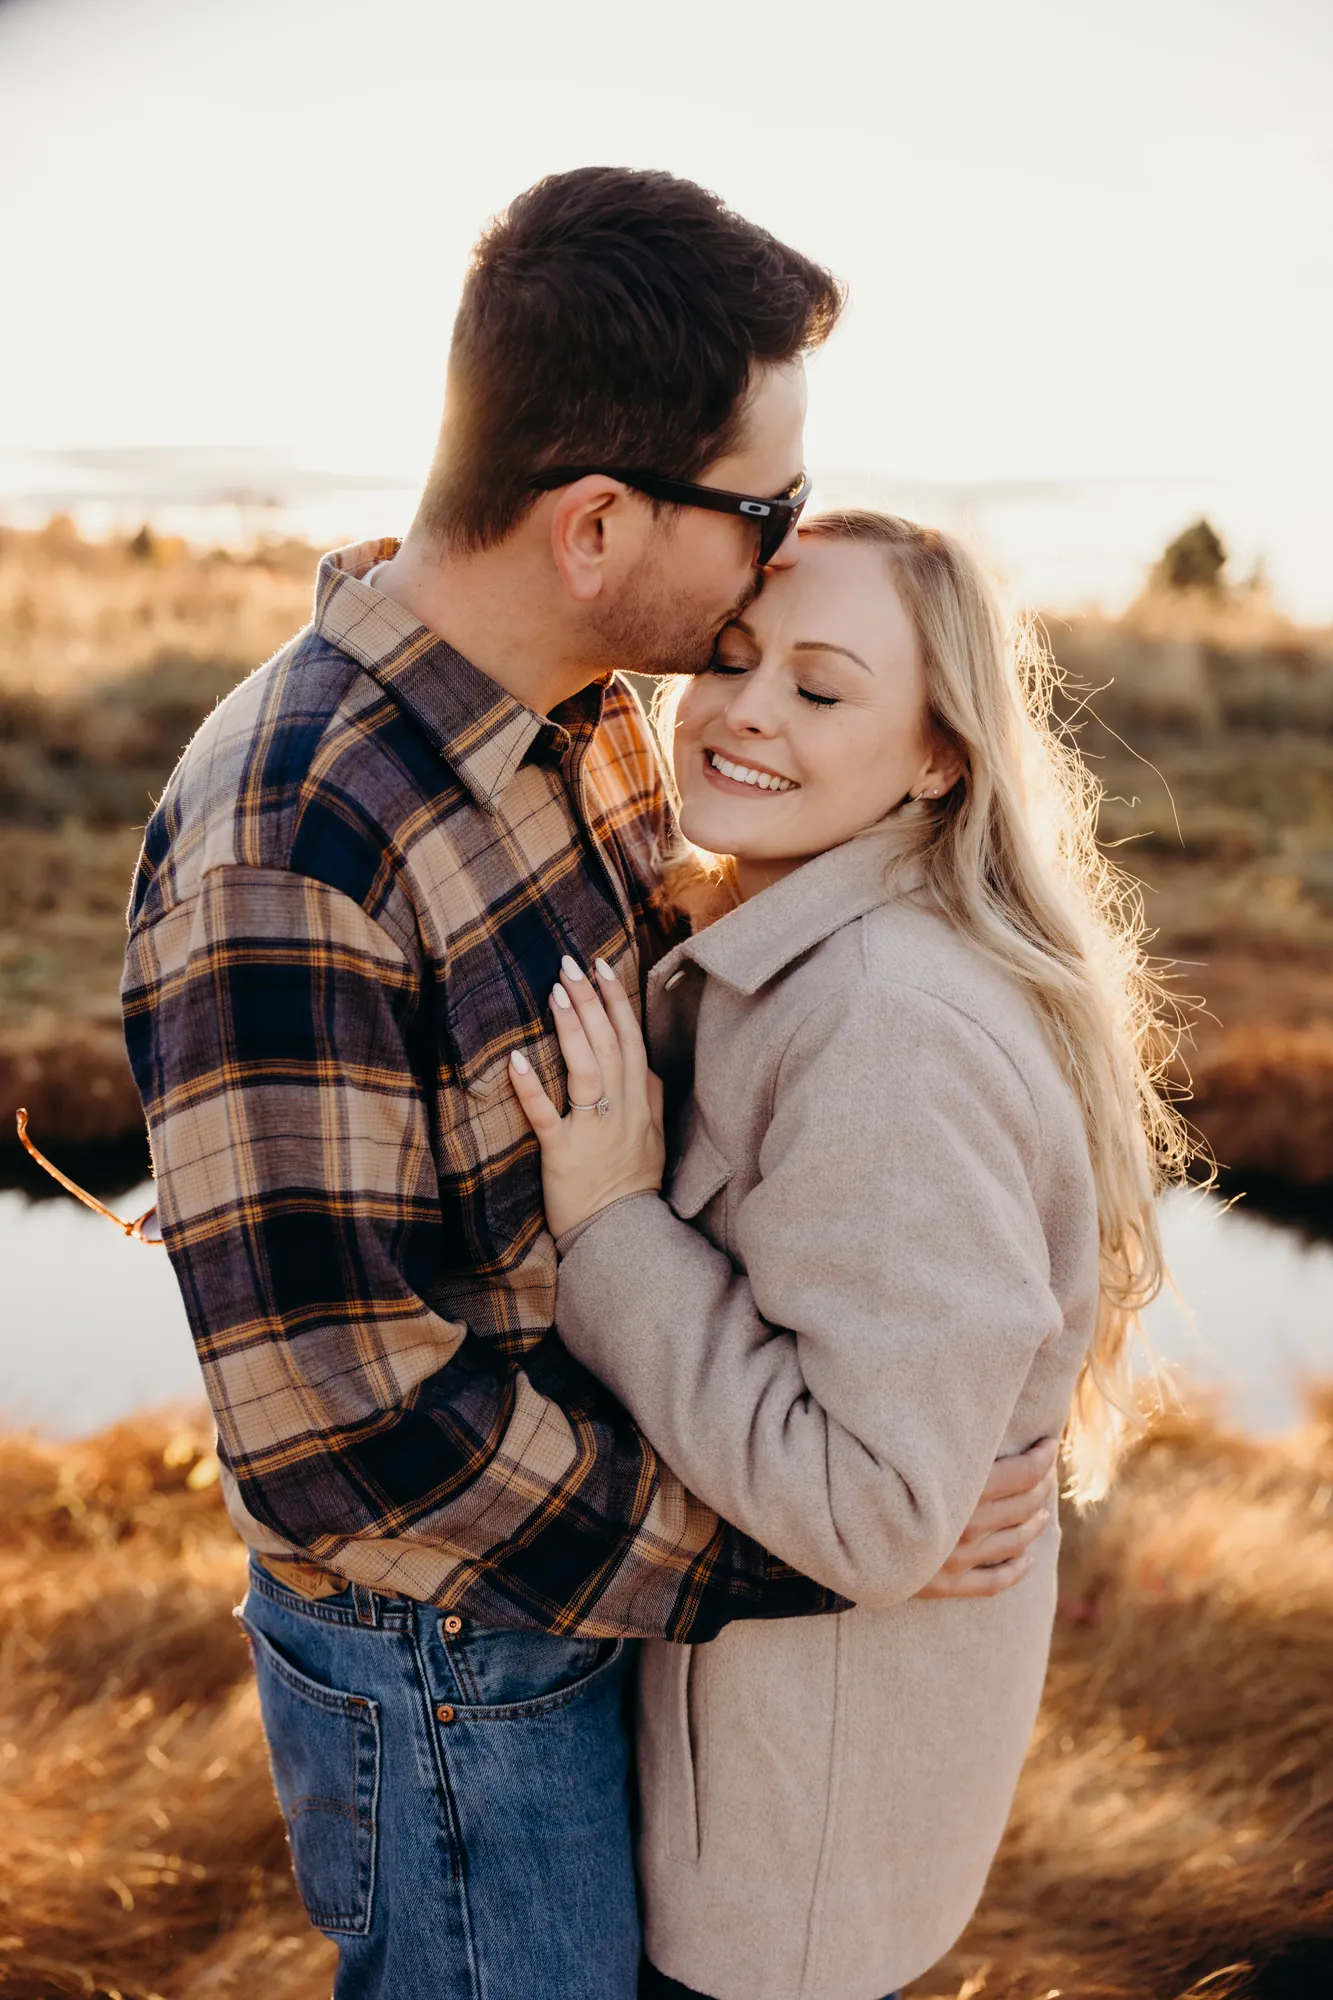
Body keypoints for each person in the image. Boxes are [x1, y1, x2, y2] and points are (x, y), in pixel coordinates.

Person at [121, 171, 1055, 2000]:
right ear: (600, 522)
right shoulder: (291, 842)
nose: (777, 558)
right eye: (766, 509)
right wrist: (826, 1540)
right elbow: (353, 1436)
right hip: (452, 1667)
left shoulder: (586, 726)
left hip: (599, 1615)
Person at [511, 511, 1191, 1999]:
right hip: (799, 1801)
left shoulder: (884, 1024)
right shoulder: (812, 938)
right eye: (734, 659)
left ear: (940, 753)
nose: (747, 710)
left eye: (822, 690)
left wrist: (613, 1226)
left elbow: (875, 1507)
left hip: (782, 1869)